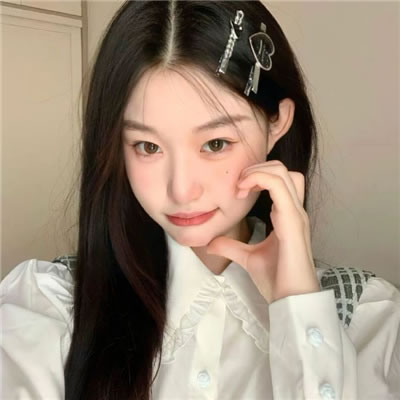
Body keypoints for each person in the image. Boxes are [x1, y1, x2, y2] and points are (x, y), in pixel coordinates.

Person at [1, 1, 399, 399]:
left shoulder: (368, 319)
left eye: (215, 143)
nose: (181, 189)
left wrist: (298, 305)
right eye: (148, 146)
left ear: (276, 123)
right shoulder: (50, 307)